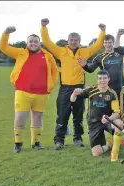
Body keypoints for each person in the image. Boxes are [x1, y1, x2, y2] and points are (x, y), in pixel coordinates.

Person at [40, 18, 106, 150]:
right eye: (71, 39)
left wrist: (102, 31)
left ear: (79, 42)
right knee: (62, 115)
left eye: (76, 39)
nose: (73, 41)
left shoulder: (84, 52)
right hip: (65, 88)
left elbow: (98, 45)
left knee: (78, 115)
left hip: (80, 88)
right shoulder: (61, 51)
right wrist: (44, 27)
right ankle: (59, 140)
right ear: (68, 40)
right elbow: (47, 42)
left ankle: (78, 138)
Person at [0, 26, 59, 153]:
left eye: (35, 41)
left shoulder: (48, 56)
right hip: (22, 91)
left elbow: (54, 72)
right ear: (27, 43)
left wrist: (51, 85)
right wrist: (6, 33)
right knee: (20, 117)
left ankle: (36, 142)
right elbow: (3, 47)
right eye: (31, 41)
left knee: (37, 117)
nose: (33, 43)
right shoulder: (20, 53)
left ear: (39, 43)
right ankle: (18, 143)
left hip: (42, 93)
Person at [70, 70, 122, 156]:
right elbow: (72, 100)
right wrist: (74, 93)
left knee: (119, 123)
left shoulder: (112, 93)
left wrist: (109, 118)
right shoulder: (91, 90)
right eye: (100, 78)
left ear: (108, 79)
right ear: (97, 80)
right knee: (97, 153)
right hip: (94, 123)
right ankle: (108, 145)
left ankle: (115, 152)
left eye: (104, 78)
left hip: (107, 121)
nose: (102, 81)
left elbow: (117, 113)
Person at [82, 26, 124, 96]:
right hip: (105, 87)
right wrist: (84, 65)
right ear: (103, 44)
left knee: (119, 106)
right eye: (105, 43)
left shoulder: (120, 54)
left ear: (113, 43)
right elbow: (90, 70)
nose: (107, 45)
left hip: (119, 88)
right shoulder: (100, 57)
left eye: (109, 42)